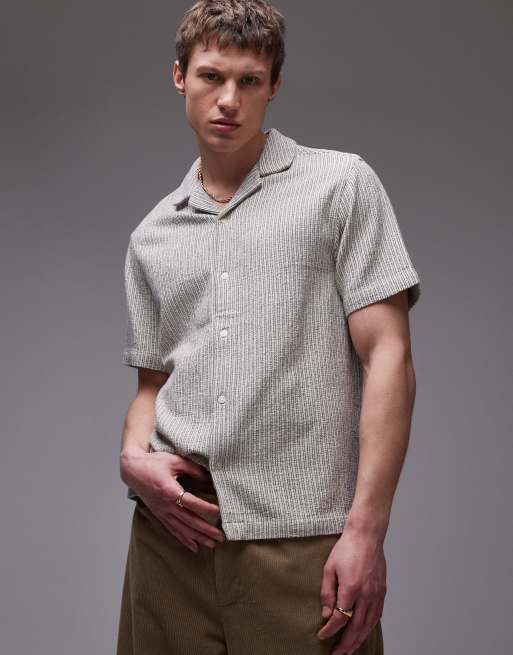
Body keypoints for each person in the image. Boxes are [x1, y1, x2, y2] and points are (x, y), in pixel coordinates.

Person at [116, 1, 421, 654]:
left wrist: (366, 532)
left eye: (249, 80)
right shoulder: (151, 235)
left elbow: (389, 356)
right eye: (211, 76)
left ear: (274, 85)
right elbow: (151, 387)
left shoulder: (340, 187)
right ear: (179, 76)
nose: (228, 99)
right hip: (170, 540)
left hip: (302, 542)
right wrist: (131, 459)